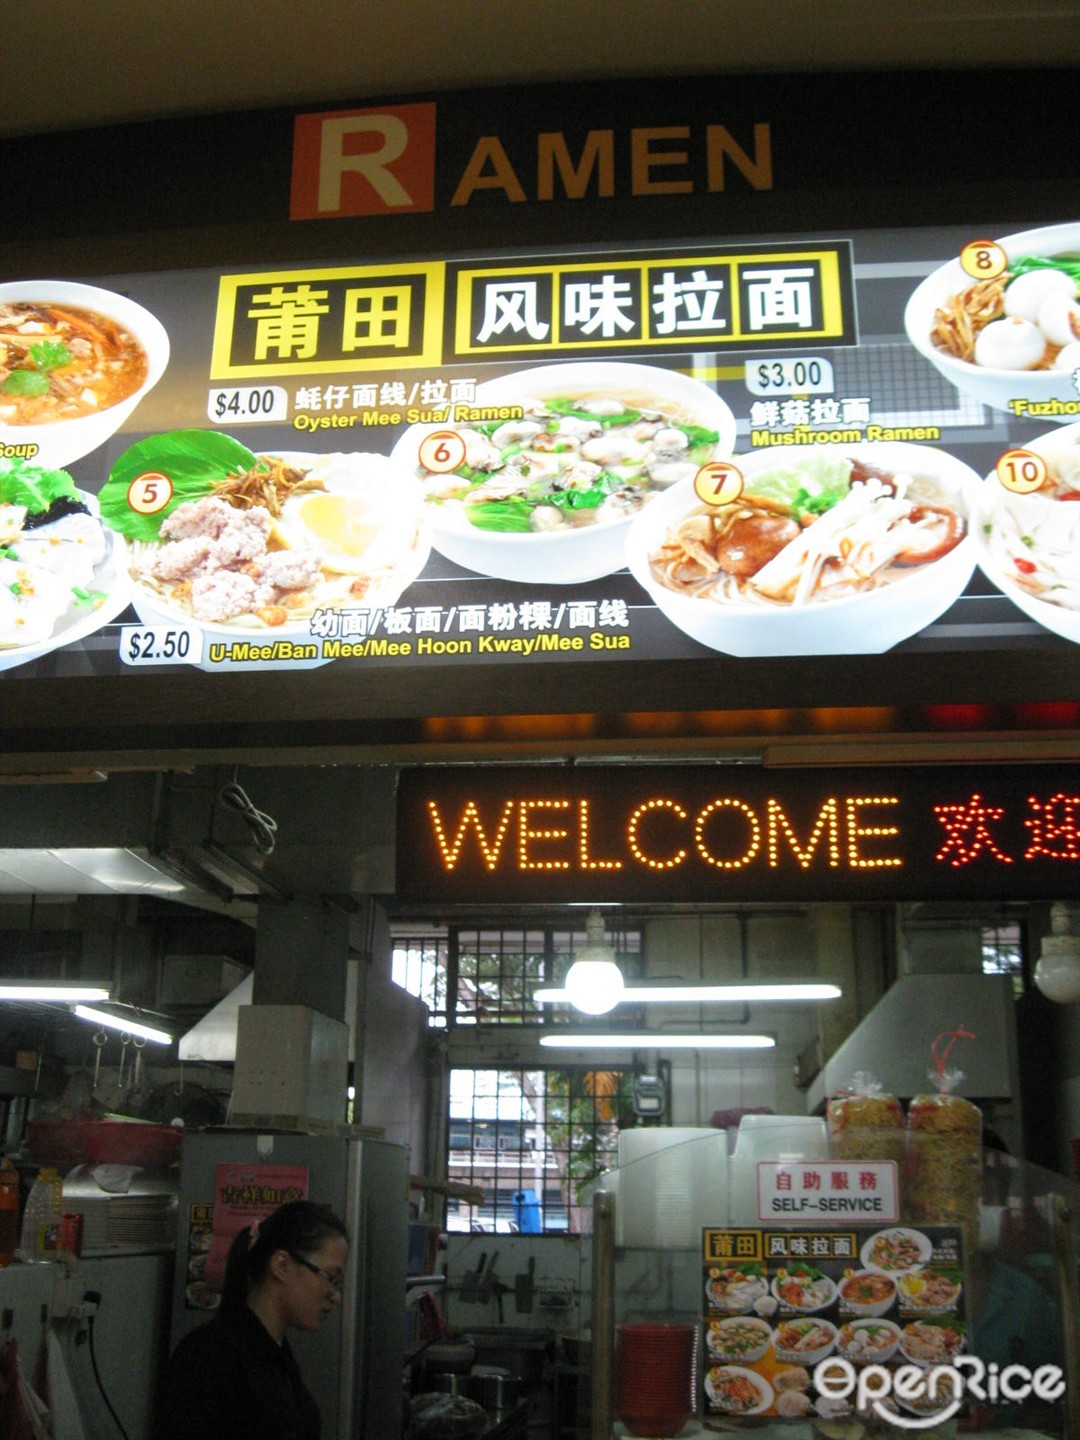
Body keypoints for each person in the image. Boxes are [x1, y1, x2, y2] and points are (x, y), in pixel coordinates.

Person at [153, 1201, 349, 1440]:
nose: (335, 1295)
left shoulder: (275, 1353)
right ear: (282, 1266)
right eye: (330, 1277)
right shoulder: (209, 1355)